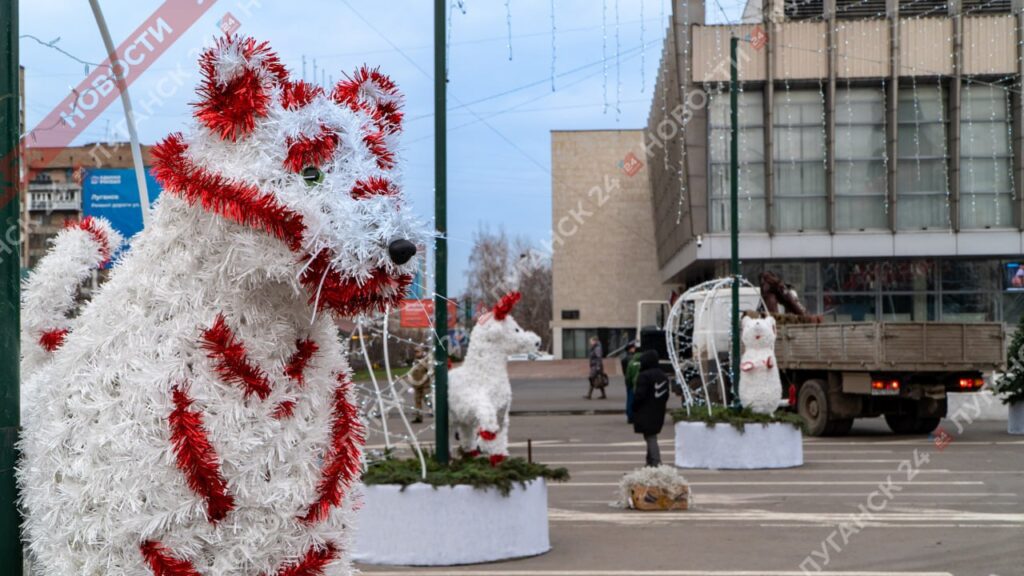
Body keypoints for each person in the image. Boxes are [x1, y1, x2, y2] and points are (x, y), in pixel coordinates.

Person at [632, 350, 670, 467]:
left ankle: (655, 461)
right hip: (658, 409)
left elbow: (639, 395)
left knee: (650, 436)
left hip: (646, 410)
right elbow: (666, 394)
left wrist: (634, 407)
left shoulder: (644, 376)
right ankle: (649, 460)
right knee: (651, 434)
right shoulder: (663, 375)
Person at [401, 349, 434, 423]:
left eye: (418, 352)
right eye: (415, 352)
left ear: (422, 352)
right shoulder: (415, 362)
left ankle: (436, 412)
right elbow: (412, 371)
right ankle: (418, 417)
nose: (416, 353)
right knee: (417, 401)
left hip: (425, 384)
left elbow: (431, 370)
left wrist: (428, 372)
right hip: (417, 385)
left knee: (427, 399)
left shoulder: (425, 360)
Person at [620, 341, 640, 423]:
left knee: (630, 399)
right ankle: (634, 415)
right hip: (635, 381)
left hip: (630, 382)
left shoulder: (625, 359)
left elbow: (626, 373)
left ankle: (630, 416)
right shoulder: (635, 359)